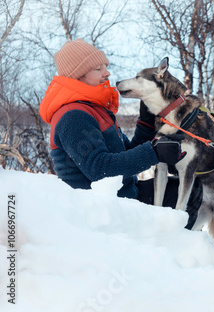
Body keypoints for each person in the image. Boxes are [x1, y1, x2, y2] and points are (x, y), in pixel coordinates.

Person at [39, 39, 201, 226]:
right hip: (99, 214)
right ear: (78, 75)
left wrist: (146, 125)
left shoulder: (95, 109)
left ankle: (176, 247)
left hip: (124, 196)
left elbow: (125, 155)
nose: (106, 73)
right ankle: (163, 249)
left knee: (192, 190)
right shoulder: (73, 116)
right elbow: (99, 169)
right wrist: (153, 152)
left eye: (105, 67)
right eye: (98, 69)